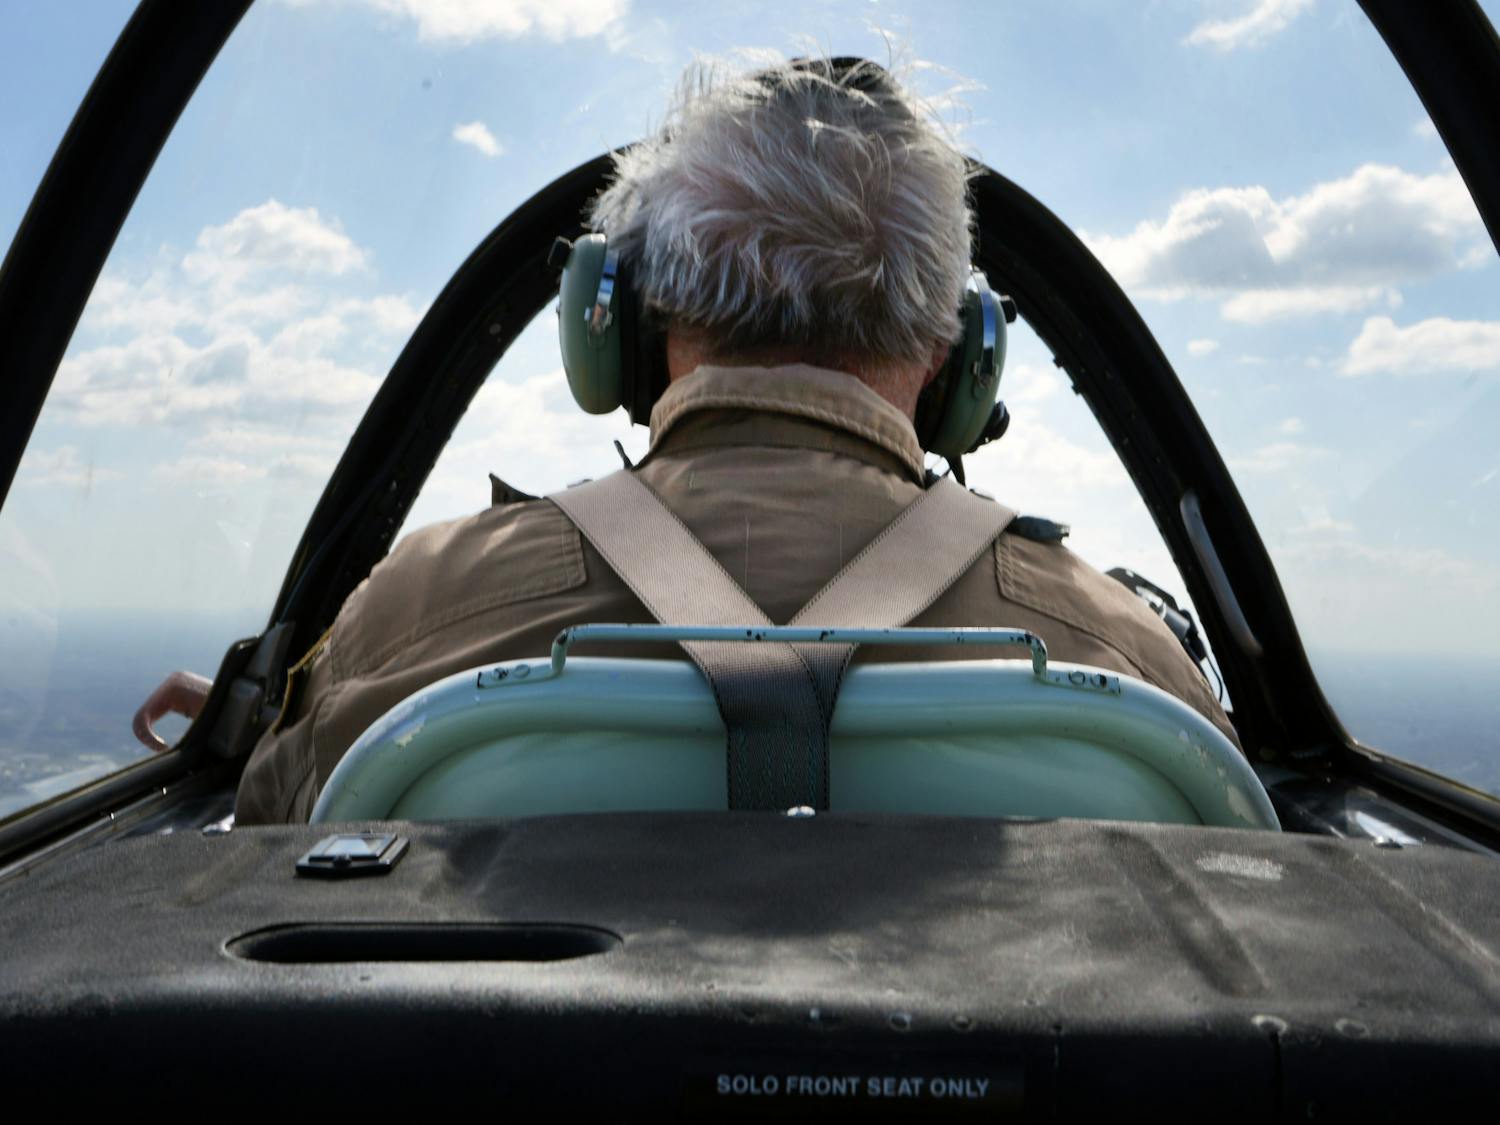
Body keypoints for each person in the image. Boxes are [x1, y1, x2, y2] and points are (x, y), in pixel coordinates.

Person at [231, 56, 1234, 824]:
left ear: (619, 319)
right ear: (960, 354)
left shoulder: (411, 623)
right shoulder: (1131, 668)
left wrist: (315, 699)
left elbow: (252, 855)